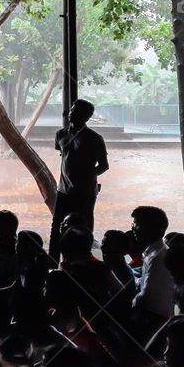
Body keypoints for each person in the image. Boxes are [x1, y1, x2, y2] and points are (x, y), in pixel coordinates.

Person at [50, 99, 109, 260]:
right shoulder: (60, 134)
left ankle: (83, 262)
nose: (71, 113)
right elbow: (64, 157)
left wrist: (86, 178)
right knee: (57, 227)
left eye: (76, 111)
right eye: (71, 110)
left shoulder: (95, 138)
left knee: (84, 228)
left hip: (85, 193)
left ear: (87, 116)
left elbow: (104, 165)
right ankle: (53, 264)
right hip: (63, 190)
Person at [130, 205, 174, 338]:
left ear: (149, 228)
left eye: (136, 223)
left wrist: (129, 305)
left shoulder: (157, 259)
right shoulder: (155, 253)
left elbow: (146, 296)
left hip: (154, 322)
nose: (132, 228)